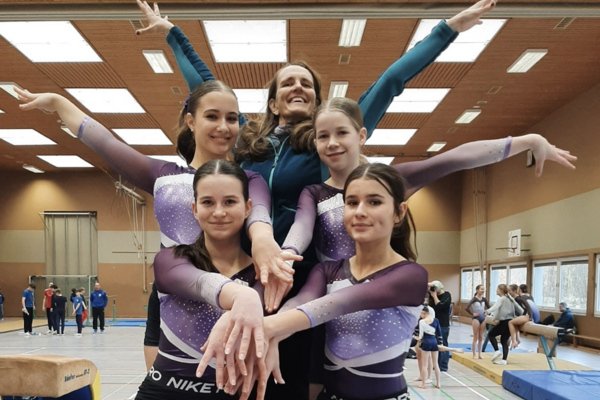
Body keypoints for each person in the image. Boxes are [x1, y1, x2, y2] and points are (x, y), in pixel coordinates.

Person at [16, 80, 281, 371]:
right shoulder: (163, 175)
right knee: (162, 383)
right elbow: (105, 143)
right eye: (212, 116)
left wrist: (263, 238)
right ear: (191, 121)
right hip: (172, 296)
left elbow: (259, 216)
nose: (223, 126)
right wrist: (58, 103)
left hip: (231, 292)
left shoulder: (249, 180)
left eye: (231, 118)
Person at [206, 163, 428, 400]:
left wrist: (254, 327)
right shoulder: (327, 270)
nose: (360, 212)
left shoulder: (410, 275)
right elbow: (299, 304)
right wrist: (271, 337)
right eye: (352, 203)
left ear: (399, 212)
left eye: (374, 202)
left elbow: (340, 303)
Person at [136, 160, 268, 400]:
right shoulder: (170, 260)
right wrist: (242, 295)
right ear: (195, 209)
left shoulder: (263, 274)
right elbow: (200, 284)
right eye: (208, 202)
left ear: (248, 207)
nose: (219, 212)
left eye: (230, 201)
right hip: (162, 394)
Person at [485, 284, 523, 365]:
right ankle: (504, 360)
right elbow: (520, 310)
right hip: (510, 323)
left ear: (501, 290)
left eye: (497, 289)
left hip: (504, 322)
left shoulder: (502, 298)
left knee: (491, 334)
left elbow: (495, 307)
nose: (496, 291)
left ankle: (497, 350)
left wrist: (487, 312)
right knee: (503, 340)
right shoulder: (510, 298)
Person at [428, 280, 452, 371]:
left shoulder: (447, 295)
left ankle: (443, 366)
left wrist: (434, 296)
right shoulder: (431, 295)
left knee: (443, 344)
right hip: (433, 323)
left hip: (443, 324)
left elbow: (440, 306)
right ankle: (436, 364)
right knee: (435, 345)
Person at [465, 284, 490, 359]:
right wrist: (472, 314)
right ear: (477, 290)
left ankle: (480, 354)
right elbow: (466, 308)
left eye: (484, 289)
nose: (483, 290)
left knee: (481, 337)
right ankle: (474, 354)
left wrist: (486, 311)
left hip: (483, 318)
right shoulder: (474, 299)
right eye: (481, 289)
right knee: (475, 336)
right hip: (476, 318)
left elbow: (489, 307)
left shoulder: (484, 299)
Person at [507, 283, 533, 349]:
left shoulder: (520, 298)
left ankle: (514, 341)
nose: (508, 292)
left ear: (516, 291)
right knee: (514, 322)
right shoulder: (519, 298)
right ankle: (517, 339)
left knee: (510, 322)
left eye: (509, 290)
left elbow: (528, 307)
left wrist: (530, 318)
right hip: (527, 315)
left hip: (528, 316)